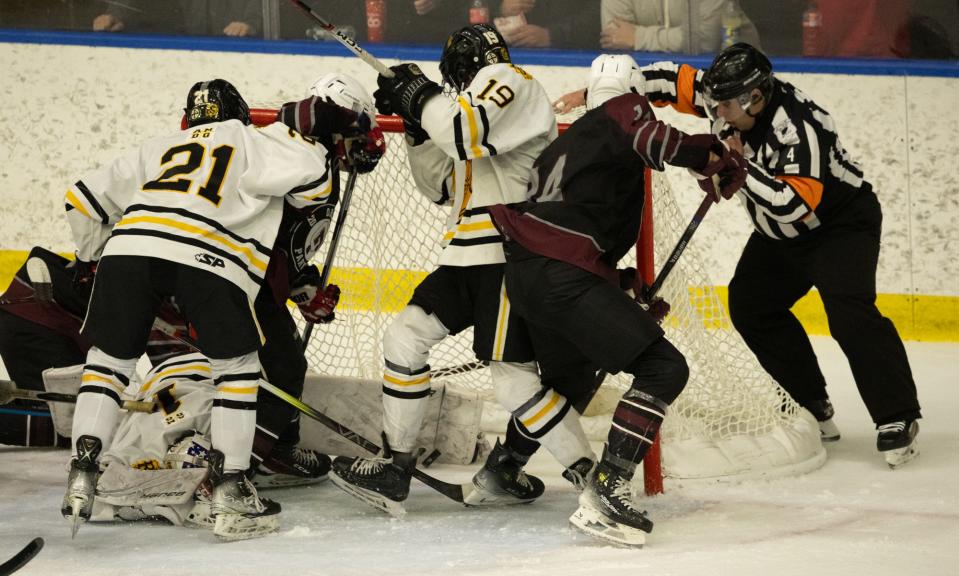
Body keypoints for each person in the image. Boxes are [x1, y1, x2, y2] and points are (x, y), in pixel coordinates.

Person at [61, 78, 382, 540]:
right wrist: (308, 143)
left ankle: (82, 473)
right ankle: (231, 490)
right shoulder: (254, 139)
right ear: (242, 113)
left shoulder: (158, 146)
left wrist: (93, 261)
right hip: (209, 260)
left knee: (108, 364)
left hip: (129, 252)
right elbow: (311, 187)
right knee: (237, 371)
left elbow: (81, 200)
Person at [582, 46, 923, 468]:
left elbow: (794, 204)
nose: (716, 112)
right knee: (751, 305)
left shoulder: (799, 127)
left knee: (849, 313)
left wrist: (731, 163)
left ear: (756, 98)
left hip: (839, 228)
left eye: (725, 105)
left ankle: (897, 415)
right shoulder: (724, 97)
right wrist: (601, 95)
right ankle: (810, 402)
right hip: (778, 236)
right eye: (715, 102)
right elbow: (662, 82)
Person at [485, 78, 746, 545]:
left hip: (530, 274)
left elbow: (568, 230)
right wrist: (708, 157)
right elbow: (649, 136)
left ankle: (505, 467)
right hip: (560, 274)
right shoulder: (623, 113)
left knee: (573, 378)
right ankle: (608, 488)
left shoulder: (566, 149)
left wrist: (623, 287)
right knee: (664, 368)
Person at [329, 24, 564, 516]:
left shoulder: (509, 78)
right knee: (404, 339)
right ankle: (396, 467)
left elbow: (462, 132)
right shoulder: (466, 112)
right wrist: (417, 126)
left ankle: (590, 473)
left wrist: (423, 96)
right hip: (463, 255)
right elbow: (438, 184)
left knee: (514, 379)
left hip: (506, 253)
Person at [600, 0, 761, 54]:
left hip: (739, 79)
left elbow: (704, 40)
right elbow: (615, 38)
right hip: (651, 81)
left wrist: (638, 37)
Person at [92, 0, 261, 37]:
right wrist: (118, 16)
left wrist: (252, 26)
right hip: (183, 54)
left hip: (237, 57)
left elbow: (277, 13)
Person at [493, 0, 600, 49]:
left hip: (573, 59)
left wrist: (551, 35)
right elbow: (479, 7)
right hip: (508, 55)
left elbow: (597, 16)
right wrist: (499, 7)